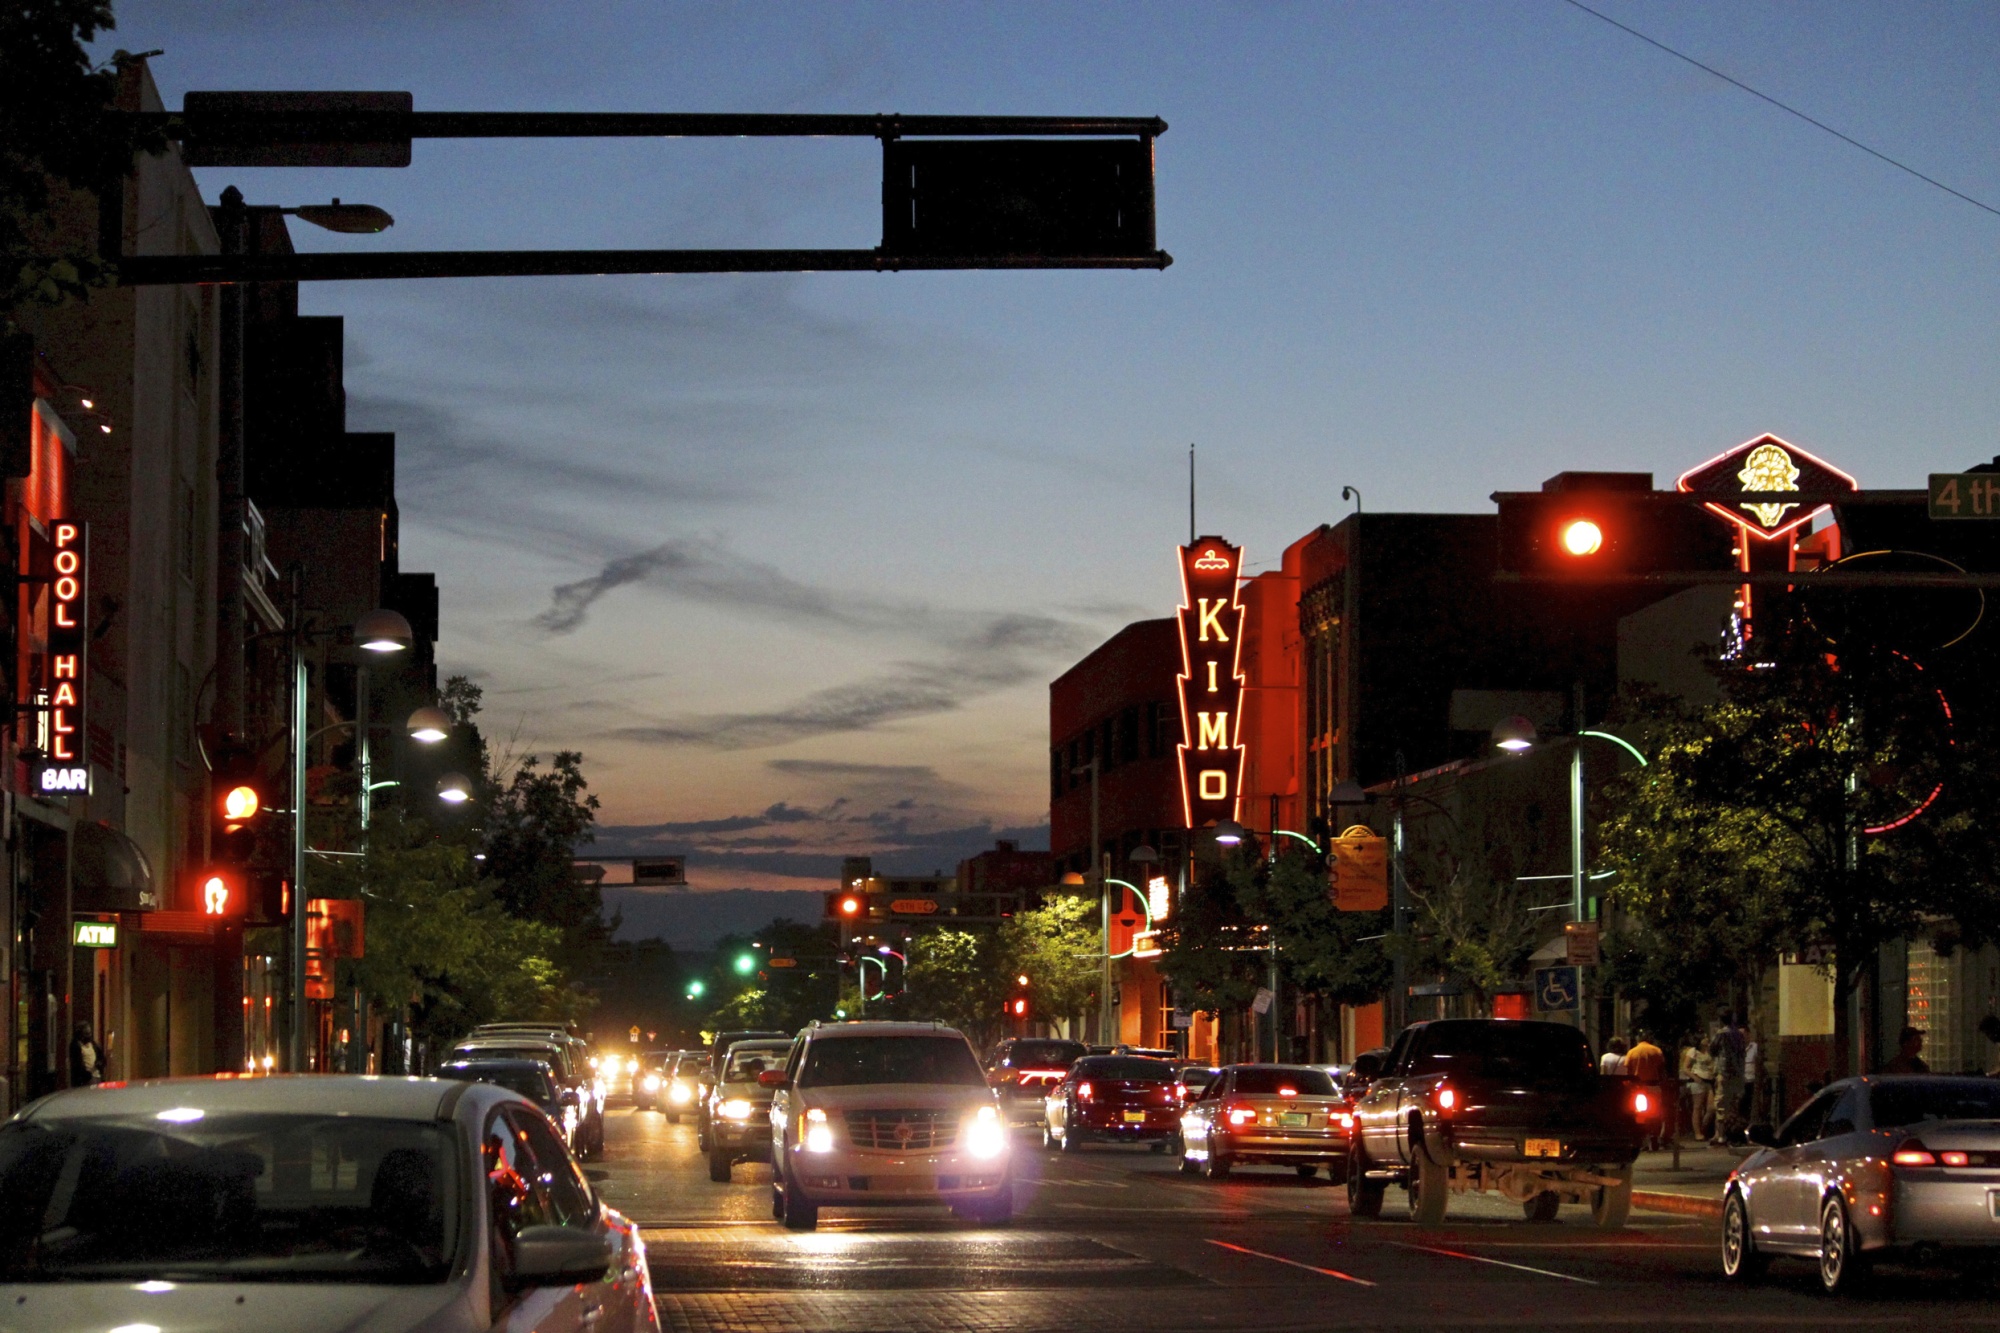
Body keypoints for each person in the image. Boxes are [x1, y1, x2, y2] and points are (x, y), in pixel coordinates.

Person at [1624, 1030, 1667, 1150]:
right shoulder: (1656, 1050)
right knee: (1656, 1113)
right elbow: (1662, 1069)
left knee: (1640, 1115)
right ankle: (1654, 1137)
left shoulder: (1632, 1052)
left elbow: (1628, 1071)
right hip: (1653, 1085)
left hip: (1638, 1087)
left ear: (1638, 1039)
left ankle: (1644, 1139)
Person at [1709, 1015, 1746, 1146]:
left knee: (1721, 1104)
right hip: (1739, 1072)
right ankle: (1734, 1133)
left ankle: (1721, 1135)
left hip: (1724, 1072)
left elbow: (1712, 1049)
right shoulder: (1740, 1034)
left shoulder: (1721, 1034)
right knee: (1735, 1104)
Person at [1680, 1038, 1715, 1143]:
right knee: (1698, 1107)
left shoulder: (1710, 1050)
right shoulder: (1693, 1051)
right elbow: (1685, 1068)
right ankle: (1697, 1133)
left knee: (1711, 1108)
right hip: (1698, 1080)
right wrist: (1695, 1078)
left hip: (1709, 1080)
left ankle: (1703, 1129)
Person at [68, 1021, 104, 1087]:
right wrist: (86, 1075)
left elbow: (102, 1058)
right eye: (86, 1034)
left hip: (96, 1075)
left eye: (90, 1033)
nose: (89, 1036)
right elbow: (76, 1065)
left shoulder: (93, 1044)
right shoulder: (75, 1046)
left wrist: (99, 1063)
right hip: (84, 1080)